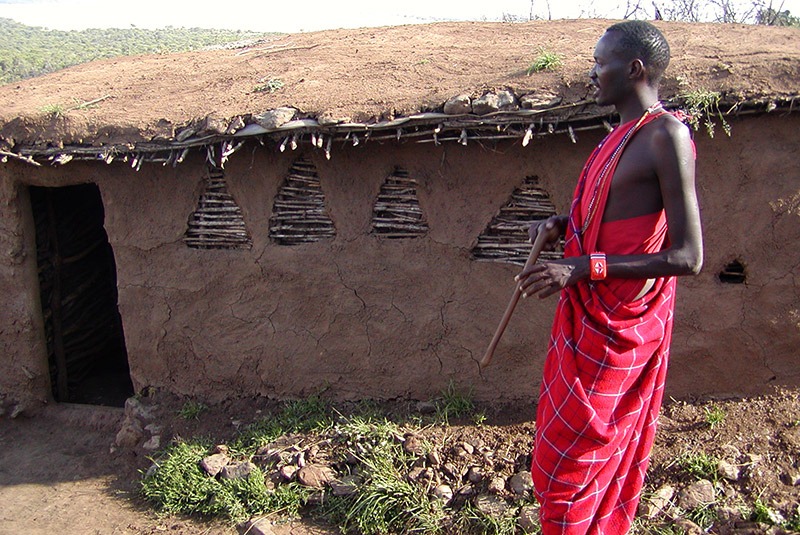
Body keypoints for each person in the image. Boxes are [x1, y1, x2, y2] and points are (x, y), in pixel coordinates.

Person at [515, 20, 704, 534]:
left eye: (601, 63)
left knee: (579, 463)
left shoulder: (667, 136)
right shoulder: (615, 140)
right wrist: (563, 225)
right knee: (557, 466)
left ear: (635, 69)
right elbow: (609, 221)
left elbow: (688, 256)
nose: (593, 73)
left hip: (620, 325)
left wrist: (583, 267)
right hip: (587, 321)